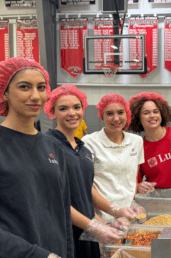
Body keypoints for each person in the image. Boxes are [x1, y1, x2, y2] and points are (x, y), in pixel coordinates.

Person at [0, 57, 74, 258]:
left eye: (41, 87)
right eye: (24, 87)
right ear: (4, 93)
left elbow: (63, 215)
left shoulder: (54, 146)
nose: (36, 96)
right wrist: (36, 255)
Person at [44, 86, 136, 258]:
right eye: (63, 109)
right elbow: (54, 199)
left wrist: (112, 214)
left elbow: (85, 191)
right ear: (52, 112)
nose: (72, 113)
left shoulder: (83, 150)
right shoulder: (47, 145)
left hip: (87, 234)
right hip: (63, 234)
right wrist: (94, 226)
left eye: (76, 107)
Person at [82, 93, 145, 221]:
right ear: (102, 117)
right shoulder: (89, 142)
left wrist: (132, 204)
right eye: (109, 114)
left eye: (120, 112)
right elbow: (86, 185)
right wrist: (114, 211)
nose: (116, 119)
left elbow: (133, 178)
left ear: (127, 114)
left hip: (129, 215)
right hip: (102, 217)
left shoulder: (136, 141)